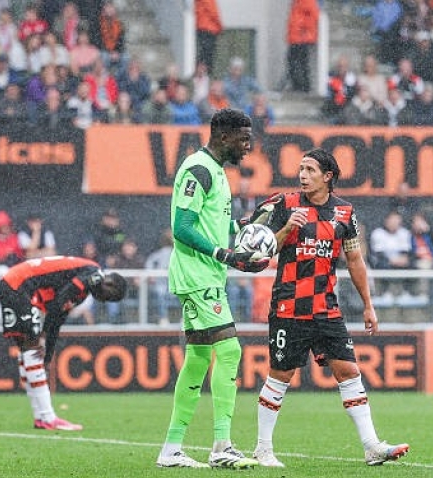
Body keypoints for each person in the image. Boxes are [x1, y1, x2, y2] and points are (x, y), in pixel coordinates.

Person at [249, 148, 408, 467]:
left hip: (325, 307)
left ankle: (371, 446)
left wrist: (368, 305)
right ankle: (262, 449)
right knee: (281, 375)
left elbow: (354, 259)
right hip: (289, 306)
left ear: (327, 176)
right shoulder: (287, 204)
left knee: (348, 370)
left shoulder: (345, 213)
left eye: (309, 170)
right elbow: (264, 248)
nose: (302, 175)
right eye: (301, 169)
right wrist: (285, 229)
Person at [156, 108, 269, 469]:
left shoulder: (217, 173)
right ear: (223, 137)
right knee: (231, 351)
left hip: (205, 276)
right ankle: (222, 444)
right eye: (243, 139)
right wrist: (224, 253)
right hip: (198, 276)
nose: (248, 147)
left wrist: (243, 229)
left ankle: (171, 449)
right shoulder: (199, 169)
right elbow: (182, 226)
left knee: (199, 358)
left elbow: (211, 225)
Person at [0, 255, 126, 430]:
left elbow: (57, 318)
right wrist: (43, 337)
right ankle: (47, 417)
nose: (103, 300)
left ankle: (41, 417)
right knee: (32, 345)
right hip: (20, 284)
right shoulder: (95, 274)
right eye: (108, 297)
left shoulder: (83, 291)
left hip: (15, 282)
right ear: (109, 283)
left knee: (28, 347)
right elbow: (59, 301)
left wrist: (48, 355)